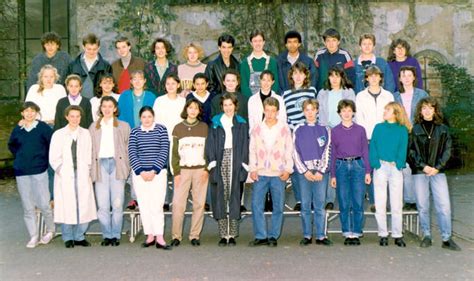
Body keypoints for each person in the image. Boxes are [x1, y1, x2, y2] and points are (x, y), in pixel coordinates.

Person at [408, 97, 461, 251]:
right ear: (420, 110)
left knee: (444, 206)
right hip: (420, 172)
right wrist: (423, 166)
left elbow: (448, 150)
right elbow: (411, 152)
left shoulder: (443, 129)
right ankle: (426, 235)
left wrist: (437, 167)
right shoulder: (415, 129)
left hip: (438, 172)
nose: (427, 111)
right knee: (423, 205)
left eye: (430, 108)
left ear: (435, 110)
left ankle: (446, 238)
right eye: (424, 108)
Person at [8, 102, 55, 248]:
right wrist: (21, 159)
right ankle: (33, 235)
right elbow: (12, 145)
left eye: (32, 111)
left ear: (36, 112)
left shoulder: (42, 128)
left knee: (44, 204)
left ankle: (50, 230)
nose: (29, 113)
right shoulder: (18, 129)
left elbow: (51, 144)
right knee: (28, 206)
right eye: (26, 111)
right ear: (22, 113)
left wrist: (42, 159)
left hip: (39, 170)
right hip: (22, 171)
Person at [49, 105, 97, 248]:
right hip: (65, 175)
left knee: (84, 205)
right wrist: (61, 170)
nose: (75, 119)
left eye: (78, 116)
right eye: (72, 116)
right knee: (66, 205)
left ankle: (79, 236)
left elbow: (89, 154)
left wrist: (87, 170)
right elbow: (53, 156)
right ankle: (68, 237)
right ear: (66, 117)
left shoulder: (86, 133)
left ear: (81, 118)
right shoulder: (58, 134)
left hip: (82, 174)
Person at [248, 97, 293, 247]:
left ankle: (273, 235)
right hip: (260, 172)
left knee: (278, 206)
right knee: (256, 204)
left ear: (278, 112)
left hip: (278, 173)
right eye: (267, 110)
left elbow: (289, 150)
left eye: (273, 111)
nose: (270, 113)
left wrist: (288, 169)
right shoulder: (257, 128)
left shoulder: (284, 128)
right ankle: (261, 235)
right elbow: (252, 149)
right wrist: (252, 168)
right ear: (263, 110)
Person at [206, 93, 249, 246]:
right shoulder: (216, 122)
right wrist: (212, 162)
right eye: (225, 105)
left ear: (235, 106)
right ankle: (224, 234)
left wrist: (244, 163)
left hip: (236, 159)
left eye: (231, 105)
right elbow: (210, 143)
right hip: (220, 159)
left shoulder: (241, 123)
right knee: (221, 196)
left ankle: (233, 234)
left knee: (235, 195)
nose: (228, 108)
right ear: (222, 106)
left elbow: (245, 145)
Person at [89, 96, 130, 247]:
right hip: (100, 166)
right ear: (100, 108)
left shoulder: (123, 126)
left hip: (117, 165)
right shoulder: (93, 127)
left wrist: (127, 168)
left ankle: (116, 235)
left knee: (117, 203)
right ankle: (107, 234)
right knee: (103, 205)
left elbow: (128, 148)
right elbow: (90, 150)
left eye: (110, 106)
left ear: (115, 108)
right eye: (104, 106)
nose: (107, 109)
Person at [128, 106, 171, 250]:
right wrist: (141, 171)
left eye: (149, 116)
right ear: (140, 118)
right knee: (144, 205)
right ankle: (149, 235)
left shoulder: (161, 129)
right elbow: (132, 153)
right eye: (144, 117)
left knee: (157, 205)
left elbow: (164, 150)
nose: (147, 119)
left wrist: (154, 171)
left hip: (158, 174)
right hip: (140, 175)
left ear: (154, 117)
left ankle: (159, 236)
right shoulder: (134, 132)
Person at [330, 99, 371, 246]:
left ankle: (357, 232)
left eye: (349, 110)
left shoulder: (360, 130)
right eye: (343, 111)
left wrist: (367, 171)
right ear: (339, 113)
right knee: (344, 200)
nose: (346, 113)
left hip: (358, 165)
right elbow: (333, 153)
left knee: (358, 200)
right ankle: (347, 232)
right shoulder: (334, 131)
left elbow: (366, 150)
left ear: (353, 112)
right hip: (341, 166)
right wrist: (333, 174)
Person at [370, 102, 410, 247]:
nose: (384, 111)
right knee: (380, 202)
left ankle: (397, 234)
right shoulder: (378, 128)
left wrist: (399, 164)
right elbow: (373, 145)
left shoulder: (402, 130)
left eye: (388, 110)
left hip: (395, 168)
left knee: (396, 202)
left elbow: (402, 148)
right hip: (381, 167)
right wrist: (376, 163)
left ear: (395, 113)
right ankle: (382, 233)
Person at [293, 99, 332, 246]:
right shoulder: (298, 129)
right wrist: (305, 171)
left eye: (312, 109)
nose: (310, 112)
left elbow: (328, 150)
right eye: (307, 110)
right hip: (304, 173)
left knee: (320, 204)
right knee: (305, 204)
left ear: (317, 110)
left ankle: (321, 235)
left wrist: (321, 171)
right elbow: (294, 152)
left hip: (321, 173)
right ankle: (307, 234)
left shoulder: (325, 129)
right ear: (303, 112)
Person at [170, 99, 209, 247]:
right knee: (178, 204)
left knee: (199, 204)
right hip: (183, 171)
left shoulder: (204, 127)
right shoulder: (177, 128)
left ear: (199, 111)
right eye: (190, 108)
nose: (193, 110)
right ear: (186, 109)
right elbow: (173, 153)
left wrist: (206, 169)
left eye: (196, 108)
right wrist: (176, 172)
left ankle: (194, 235)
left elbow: (208, 151)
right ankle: (176, 236)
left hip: (200, 170)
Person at [355, 66, 394, 211]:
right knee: (370, 169)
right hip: (368, 138)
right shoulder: (360, 96)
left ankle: (385, 201)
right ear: (366, 78)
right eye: (370, 76)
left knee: (385, 169)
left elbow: (391, 116)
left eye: (376, 76)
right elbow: (359, 119)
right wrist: (364, 138)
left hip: (385, 138)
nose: (373, 78)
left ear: (380, 77)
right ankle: (374, 201)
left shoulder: (388, 96)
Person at [117, 70, 156, 210]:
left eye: (140, 78)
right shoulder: (125, 96)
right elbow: (119, 116)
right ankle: (135, 198)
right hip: (129, 135)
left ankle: (148, 197)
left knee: (146, 166)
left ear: (145, 81)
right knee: (134, 166)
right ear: (131, 82)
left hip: (146, 135)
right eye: (134, 79)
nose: (137, 81)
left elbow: (154, 116)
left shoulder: (151, 96)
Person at [282, 62, 317, 211]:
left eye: (301, 73)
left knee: (311, 165)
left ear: (305, 75)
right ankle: (300, 199)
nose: (298, 76)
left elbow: (315, 112)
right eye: (295, 73)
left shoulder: (311, 91)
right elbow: (285, 117)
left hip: (309, 133)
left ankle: (312, 198)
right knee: (296, 166)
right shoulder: (286, 94)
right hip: (294, 134)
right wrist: (291, 131)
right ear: (291, 76)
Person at [393, 66, 429, 211]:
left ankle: (422, 199)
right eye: (404, 76)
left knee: (419, 167)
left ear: (414, 77)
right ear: (400, 79)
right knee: (405, 168)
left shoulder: (422, 94)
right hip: (401, 135)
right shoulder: (394, 96)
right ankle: (409, 199)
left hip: (418, 135)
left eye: (409, 75)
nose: (407, 78)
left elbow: (427, 114)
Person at [153, 74, 186, 211]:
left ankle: (178, 199)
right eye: (168, 84)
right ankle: (164, 200)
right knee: (162, 172)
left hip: (179, 141)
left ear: (178, 85)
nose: (171, 86)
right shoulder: (159, 101)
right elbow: (155, 121)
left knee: (179, 171)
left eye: (173, 83)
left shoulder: (183, 101)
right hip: (163, 140)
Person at [67, 33, 112, 99]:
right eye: (89, 49)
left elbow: (109, 86)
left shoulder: (106, 66)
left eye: (94, 49)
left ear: (99, 48)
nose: (91, 52)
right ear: (83, 47)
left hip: (98, 102)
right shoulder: (72, 65)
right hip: (77, 102)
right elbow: (67, 85)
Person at [240, 30, 279, 98]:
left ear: (264, 42)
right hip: (252, 102)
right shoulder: (244, 63)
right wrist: (254, 100)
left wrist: (268, 99)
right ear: (251, 43)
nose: (258, 43)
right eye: (255, 41)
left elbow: (275, 84)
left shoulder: (272, 62)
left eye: (260, 41)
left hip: (270, 101)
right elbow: (244, 86)